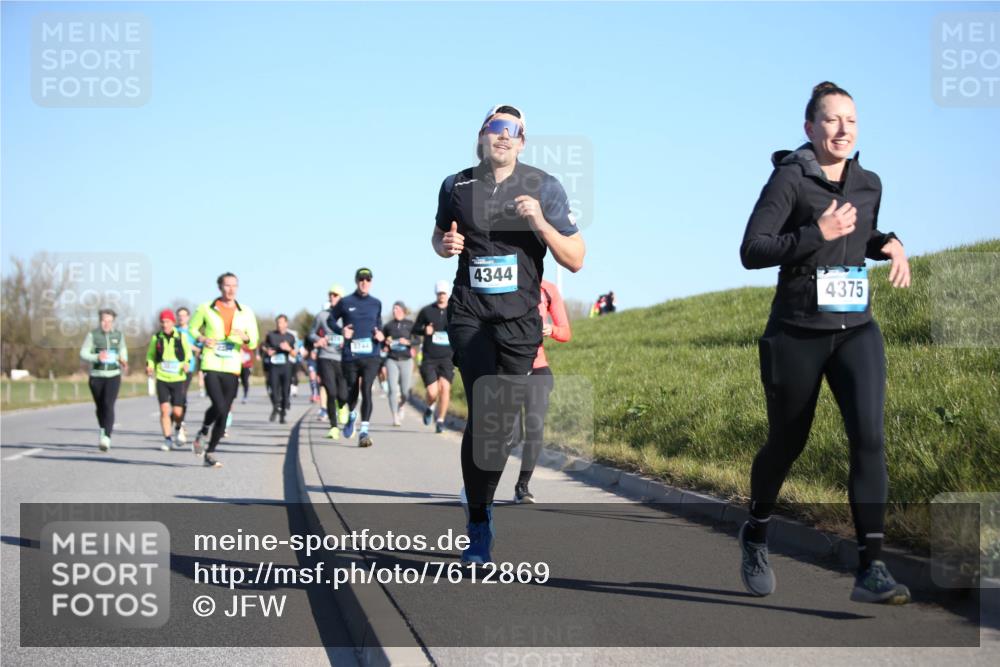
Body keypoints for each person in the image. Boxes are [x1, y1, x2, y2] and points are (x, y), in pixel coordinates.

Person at [739, 82, 912, 604]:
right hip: (796, 333)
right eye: (832, 120)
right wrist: (816, 230)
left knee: (870, 438)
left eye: (851, 121)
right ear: (810, 128)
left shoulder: (868, 182)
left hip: (856, 328)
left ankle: (872, 568)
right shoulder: (789, 180)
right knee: (788, 442)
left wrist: (889, 243)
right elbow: (752, 249)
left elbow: (862, 235)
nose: (843, 130)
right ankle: (756, 530)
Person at [433, 104, 584, 563]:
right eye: (496, 127)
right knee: (485, 406)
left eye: (512, 131)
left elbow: (575, 257)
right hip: (469, 312)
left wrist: (540, 222)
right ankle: (479, 520)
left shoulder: (544, 186)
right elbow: (439, 237)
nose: (503, 136)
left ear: (522, 142)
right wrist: (445, 246)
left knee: (497, 427)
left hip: (520, 321)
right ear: (481, 135)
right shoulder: (455, 185)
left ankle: (479, 494)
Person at [188, 272, 260, 468]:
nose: (231, 289)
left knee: (224, 410)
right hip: (211, 363)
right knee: (219, 406)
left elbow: (254, 340)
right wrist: (202, 339)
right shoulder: (206, 308)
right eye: (227, 285)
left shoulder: (245, 311)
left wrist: (245, 337)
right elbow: (191, 329)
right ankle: (203, 431)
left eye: (234, 285)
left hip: (232, 366)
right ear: (220, 287)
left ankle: (210, 451)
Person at [511, 279, 571, 503]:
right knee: (511, 436)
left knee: (535, 430)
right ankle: (479, 483)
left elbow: (565, 333)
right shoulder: (506, 281)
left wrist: (551, 329)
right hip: (508, 370)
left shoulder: (548, 289)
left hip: (538, 369)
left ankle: (522, 486)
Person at [328, 268, 384, 448]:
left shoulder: (376, 303)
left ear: (372, 282)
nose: (364, 282)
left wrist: (380, 334)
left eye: (368, 279)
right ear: (356, 281)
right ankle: (352, 415)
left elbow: (378, 324)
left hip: (371, 354)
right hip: (351, 356)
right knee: (352, 391)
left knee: (366, 388)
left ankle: (364, 431)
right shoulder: (345, 302)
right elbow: (330, 320)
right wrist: (341, 331)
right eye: (361, 279)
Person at [79, 308, 129, 451]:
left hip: (113, 375)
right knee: (100, 407)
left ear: (113, 321)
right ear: (100, 321)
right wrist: (96, 357)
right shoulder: (93, 335)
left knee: (108, 404)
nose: (106, 323)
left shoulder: (118, 335)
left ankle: (106, 436)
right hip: (96, 375)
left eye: (109, 321)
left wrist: (124, 359)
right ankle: (103, 428)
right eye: (103, 320)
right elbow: (83, 353)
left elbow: (123, 350)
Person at [146, 309, 194, 451]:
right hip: (162, 378)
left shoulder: (181, 337)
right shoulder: (157, 338)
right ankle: (167, 439)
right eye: (162, 321)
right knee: (164, 410)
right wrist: (150, 366)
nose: (165, 324)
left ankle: (179, 427)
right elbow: (150, 355)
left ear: (172, 322)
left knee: (178, 412)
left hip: (178, 378)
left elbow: (188, 354)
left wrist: (186, 363)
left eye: (167, 321)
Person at [412, 281, 455, 434]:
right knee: (432, 392)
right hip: (429, 358)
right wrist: (425, 329)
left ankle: (440, 421)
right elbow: (415, 329)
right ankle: (430, 407)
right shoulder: (427, 311)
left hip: (447, 358)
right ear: (436, 294)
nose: (442, 296)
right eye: (439, 293)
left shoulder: (454, 310)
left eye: (444, 293)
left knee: (445, 388)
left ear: (448, 294)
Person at [309, 285, 349, 438]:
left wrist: (347, 341)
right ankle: (333, 427)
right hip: (325, 357)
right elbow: (311, 333)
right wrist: (319, 340)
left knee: (343, 394)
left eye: (336, 295)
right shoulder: (321, 316)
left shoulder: (346, 316)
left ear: (341, 298)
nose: (332, 297)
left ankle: (342, 406)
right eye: (331, 295)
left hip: (343, 358)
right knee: (331, 392)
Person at [381, 301, 415, 427]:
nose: (395, 311)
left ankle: (401, 405)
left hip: (406, 360)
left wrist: (407, 342)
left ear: (403, 310)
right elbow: (382, 341)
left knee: (405, 391)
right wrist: (385, 343)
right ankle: (395, 416)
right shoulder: (388, 326)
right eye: (393, 309)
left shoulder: (410, 324)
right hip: (392, 359)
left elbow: (417, 339)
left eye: (397, 309)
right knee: (392, 389)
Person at [262, 314, 298, 424]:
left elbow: (295, 354)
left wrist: (288, 348)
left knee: (285, 391)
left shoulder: (290, 337)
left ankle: (282, 415)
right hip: (274, 367)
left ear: (286, 323)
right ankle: (275, 407)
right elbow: (264, 346)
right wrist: (267, 351)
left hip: (286, 367)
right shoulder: (271, 335)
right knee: (273, 389)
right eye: (278, 322)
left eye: (282, 322)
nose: (279, 324)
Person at [175, 306, 202, 444]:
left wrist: (193, 348)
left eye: (184, 315)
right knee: (174, 399)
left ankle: (181, 423)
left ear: (188, 317)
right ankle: (180, 423)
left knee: (182, 396)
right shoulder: (173, 331)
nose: (181, 318)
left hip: (188, 368)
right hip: (173, 369)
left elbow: (200, 348)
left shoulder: (192, 332)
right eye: (179, 315)